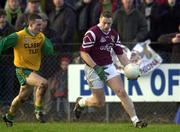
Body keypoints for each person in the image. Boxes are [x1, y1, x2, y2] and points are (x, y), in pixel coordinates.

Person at [73, 11, 147, 128]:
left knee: (121, 92)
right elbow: (83, 53)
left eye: (109, 23)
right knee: (100, 102)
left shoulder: (113, 34)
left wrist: (130, 68)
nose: (107, 26)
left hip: (108, 66)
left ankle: (136, 121)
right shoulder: (92, 33)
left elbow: (120, 54)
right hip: (92, 69)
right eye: (104, 23)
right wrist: (96, 68)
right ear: (99, 20)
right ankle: (81, 103)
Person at [0, 13, 54, 127]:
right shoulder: (18, 36)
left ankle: (9, 117)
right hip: (22, 70)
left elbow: (49, 51)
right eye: (38, 24)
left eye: (42, 24)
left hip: (32, 72)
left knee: (21, 98)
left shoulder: (41, 36)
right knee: (43, 83)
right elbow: (3, 44)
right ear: (30, 24)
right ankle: (38, 110)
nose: (41, 26)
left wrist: (47, 46)